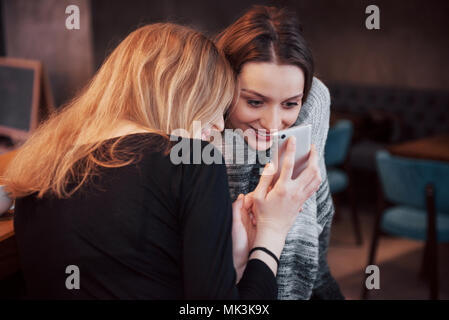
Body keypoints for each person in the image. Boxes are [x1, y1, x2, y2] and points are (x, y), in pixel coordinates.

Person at [1, 23, 321, 299]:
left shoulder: (38, 166)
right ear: (185, 92)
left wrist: (227, 255)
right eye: (216, 103)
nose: (221, 126)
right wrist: (271, 232)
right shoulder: (194, 162)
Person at [215, 5, 344, 299]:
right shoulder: (194, 139)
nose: (273, 125)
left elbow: (307, 251)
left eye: (289, 104)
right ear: (222, 88)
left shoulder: (313, 106)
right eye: (255, 102)